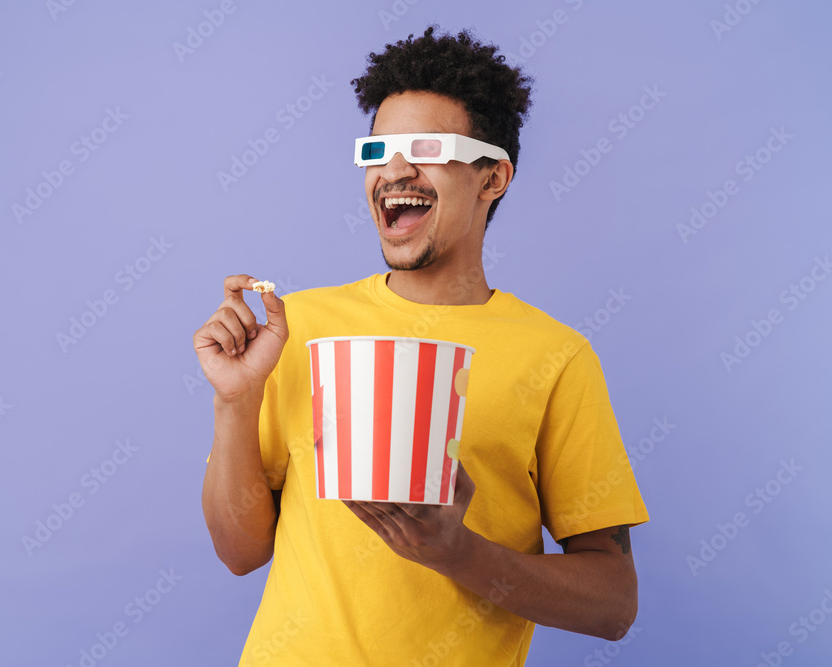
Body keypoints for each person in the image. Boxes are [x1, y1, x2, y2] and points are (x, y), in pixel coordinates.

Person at [195, 26, 649, 666]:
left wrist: (456, 552)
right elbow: (240, 554)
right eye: (379, 148)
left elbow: (614, 605)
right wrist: (236, 402)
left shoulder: (557, 358)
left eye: (428, 148)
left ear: (493, 177)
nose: (395, 170)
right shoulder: (295, 327)